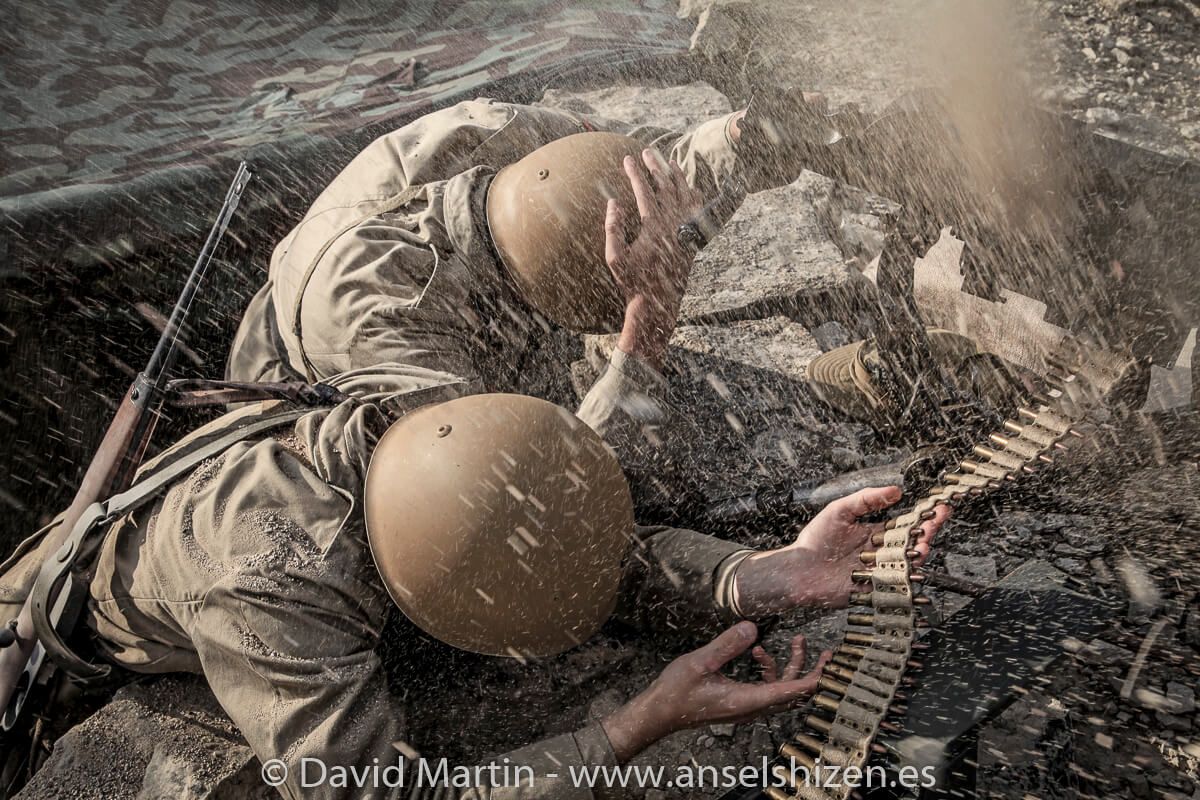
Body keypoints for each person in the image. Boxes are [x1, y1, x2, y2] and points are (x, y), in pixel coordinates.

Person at [0, 379, 945, 800]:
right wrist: (636, 727)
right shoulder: (268, 596)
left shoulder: (435, 426)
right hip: (76, 622)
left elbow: (565, 533)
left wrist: (751, 575)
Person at [226, 95, 827, 466]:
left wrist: (743, 139)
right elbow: (527, 491)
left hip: (440, 293)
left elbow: (643, 185)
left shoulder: (508, 135)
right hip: (304, 377)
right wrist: (646, 314)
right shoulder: (389, 334)